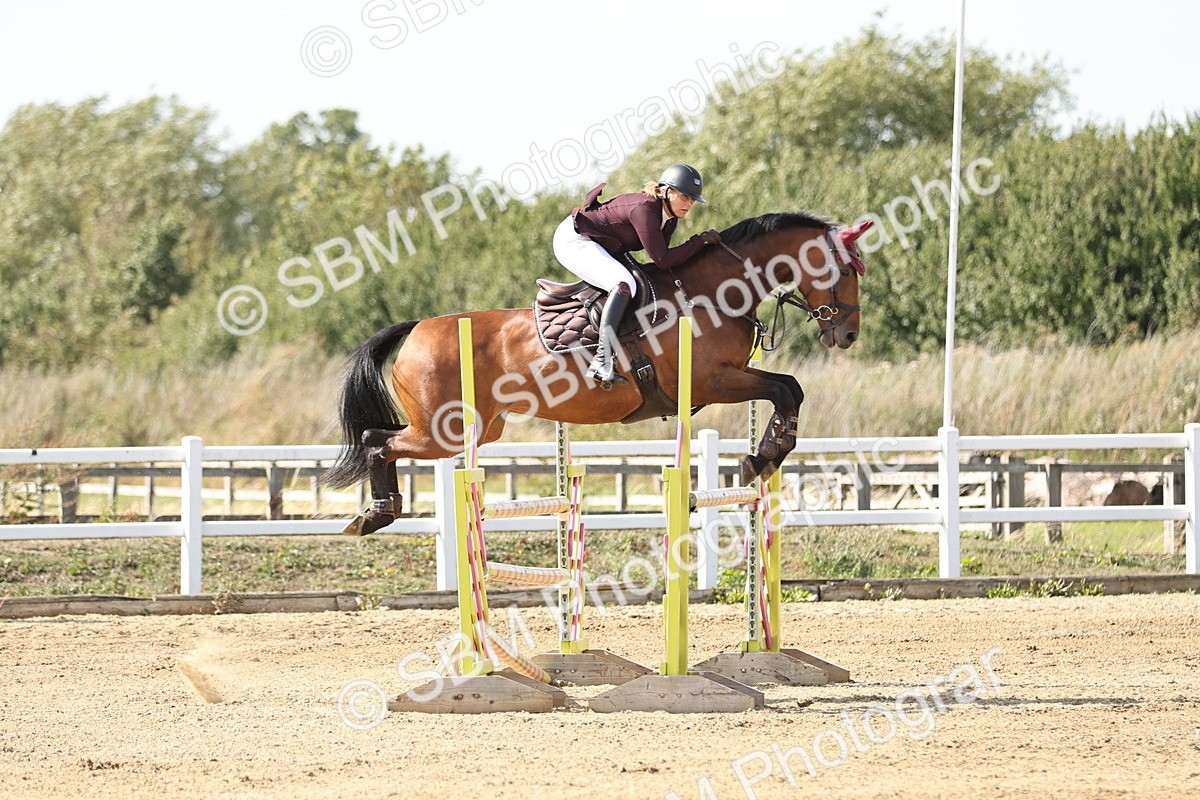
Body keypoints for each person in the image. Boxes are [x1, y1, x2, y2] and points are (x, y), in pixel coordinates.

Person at [553, 163, 722, 387]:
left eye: (693, 200)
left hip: (601, 244)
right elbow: (663, 259)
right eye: (685, 197)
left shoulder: (669, 217)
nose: (689, 203)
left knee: (636, 282)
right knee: (623, 284)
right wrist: (699, 241)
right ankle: (602, 360)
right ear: (668, 192)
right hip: (575, 240)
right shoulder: (645, 209)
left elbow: (664, 260)